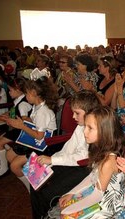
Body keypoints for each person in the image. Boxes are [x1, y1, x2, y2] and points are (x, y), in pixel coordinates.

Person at [30, 90, 100, 219]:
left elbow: (83, 157)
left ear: (90, 112)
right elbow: (68, 149)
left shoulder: (95, 130)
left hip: (84, 168)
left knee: (46, 194)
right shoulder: (80, 126)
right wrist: (51, 161)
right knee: (36, 182)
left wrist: (52, 160)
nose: (73, 117)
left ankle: (45, 215)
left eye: (77, 113)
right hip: (71, 163)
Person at [48, 106, 125, 218]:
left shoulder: (109, 160)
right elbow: (93, 176)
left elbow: (98, 196)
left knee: (65, 214)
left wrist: (69, 210)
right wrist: (72, 193)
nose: (85, 131)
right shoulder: (99, 149)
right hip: (96, 192)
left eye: (90, 128)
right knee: (64, 203)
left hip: (108, 205)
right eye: (85, 126)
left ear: (105, 131)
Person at [0, 77, 58, 191]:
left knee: (14, 166)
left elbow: (39, 136)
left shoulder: (43, 112)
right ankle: (34, 177)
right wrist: (21, 122)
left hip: (43, 147)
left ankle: (33, 188)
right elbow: (34, 123)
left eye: (27, 93)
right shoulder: (36, 106)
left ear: (34, 93)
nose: (25, 95)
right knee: (9, 155)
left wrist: (21, 125)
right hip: (35, 141)